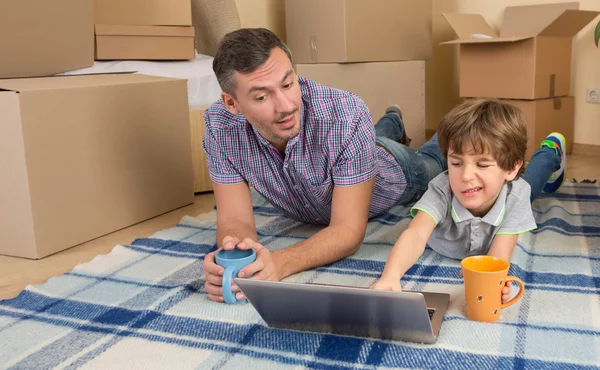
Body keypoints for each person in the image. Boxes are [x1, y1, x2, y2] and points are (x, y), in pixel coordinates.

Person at [201, 27, 448, 303]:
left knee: (436, 160)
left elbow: (347, 231)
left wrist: (279, 264)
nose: (285, 106)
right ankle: (391, 121)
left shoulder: (346, 115)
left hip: (396, 171)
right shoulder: (219, 125)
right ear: (231, 103)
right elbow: (234, 219)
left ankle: (437, 128)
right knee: (370, 138)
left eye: (287, 84)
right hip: (353, 150)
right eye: (262, 96)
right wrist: (234, 255)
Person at [370, 98, 567, 303]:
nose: (466, 176)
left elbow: (497, 257)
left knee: (532, 181)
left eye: (482, 165)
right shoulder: (441, 188)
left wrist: (492, 282)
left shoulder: (516, 195)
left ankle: (551, 151)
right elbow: (416, 233)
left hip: (513, 187)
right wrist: (390, 276)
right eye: (456, 163)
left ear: (511, 169)